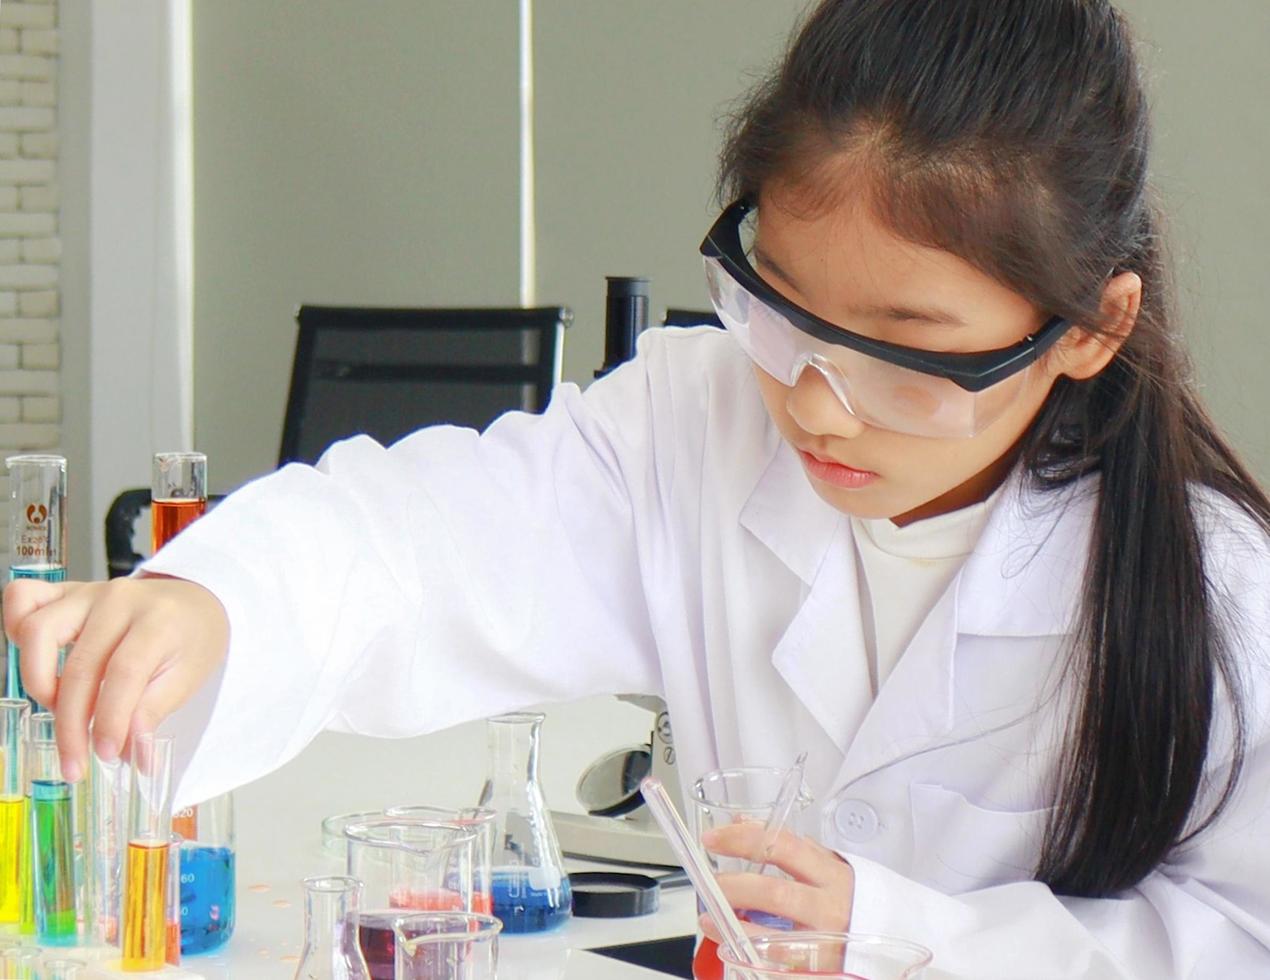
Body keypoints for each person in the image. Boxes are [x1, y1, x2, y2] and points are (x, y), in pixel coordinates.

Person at [7, 0, 1270, 975]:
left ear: (1093, 326)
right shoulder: (692, 419)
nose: (817, 404)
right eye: (780, 309)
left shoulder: (1217, 591)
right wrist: (214, 600)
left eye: (903, 355)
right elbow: (412, 543)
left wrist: (896, 933)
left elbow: (1236, 937)